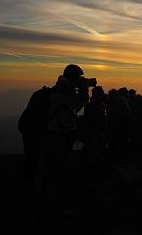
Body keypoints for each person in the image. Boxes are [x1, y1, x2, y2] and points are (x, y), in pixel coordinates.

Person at [39, 64, 92, 211]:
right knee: (55, 170)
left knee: (51, 169)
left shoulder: (59, 89)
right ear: (72, 77)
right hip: (56, 136)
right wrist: (84, 87)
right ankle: (51, 205)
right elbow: (80, 103)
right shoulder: (63, 91)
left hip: (54, 135)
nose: (80, 79)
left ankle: (47, 201)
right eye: (78, 77)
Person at [83, 86, 107, 157]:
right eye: (101, 93)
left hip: (94, 132)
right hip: (95, 132)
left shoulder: (90, 105)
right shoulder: (97, 106)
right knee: (95, 152)